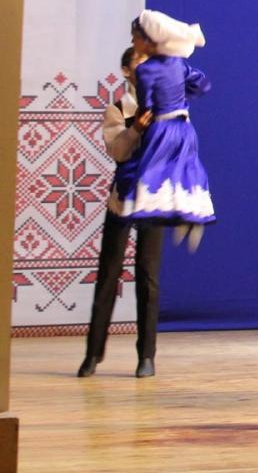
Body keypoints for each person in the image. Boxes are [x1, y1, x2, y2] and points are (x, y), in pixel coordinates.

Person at [78, 47, 163, 379]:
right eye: (140, 63)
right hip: (123, 197)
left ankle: (147, 355)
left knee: (148, 275)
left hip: (153, 198)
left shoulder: (165, 107)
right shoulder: (117, 110)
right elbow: (117, 151)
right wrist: (136, 129)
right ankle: (93, 354)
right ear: (127, 71)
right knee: (109, 273)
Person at [120, 10, 215, 254]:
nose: (133, 42)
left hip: (161, 129)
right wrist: (181, 96)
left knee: (153, 173)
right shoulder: (178, 64)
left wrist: (146, 115)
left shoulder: (145, 70)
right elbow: (202, 83)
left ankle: (176, 217)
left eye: (135, 37)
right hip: (185, 129)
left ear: (148, 39)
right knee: (185, 171)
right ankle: (190, 217)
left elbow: (147, 103)